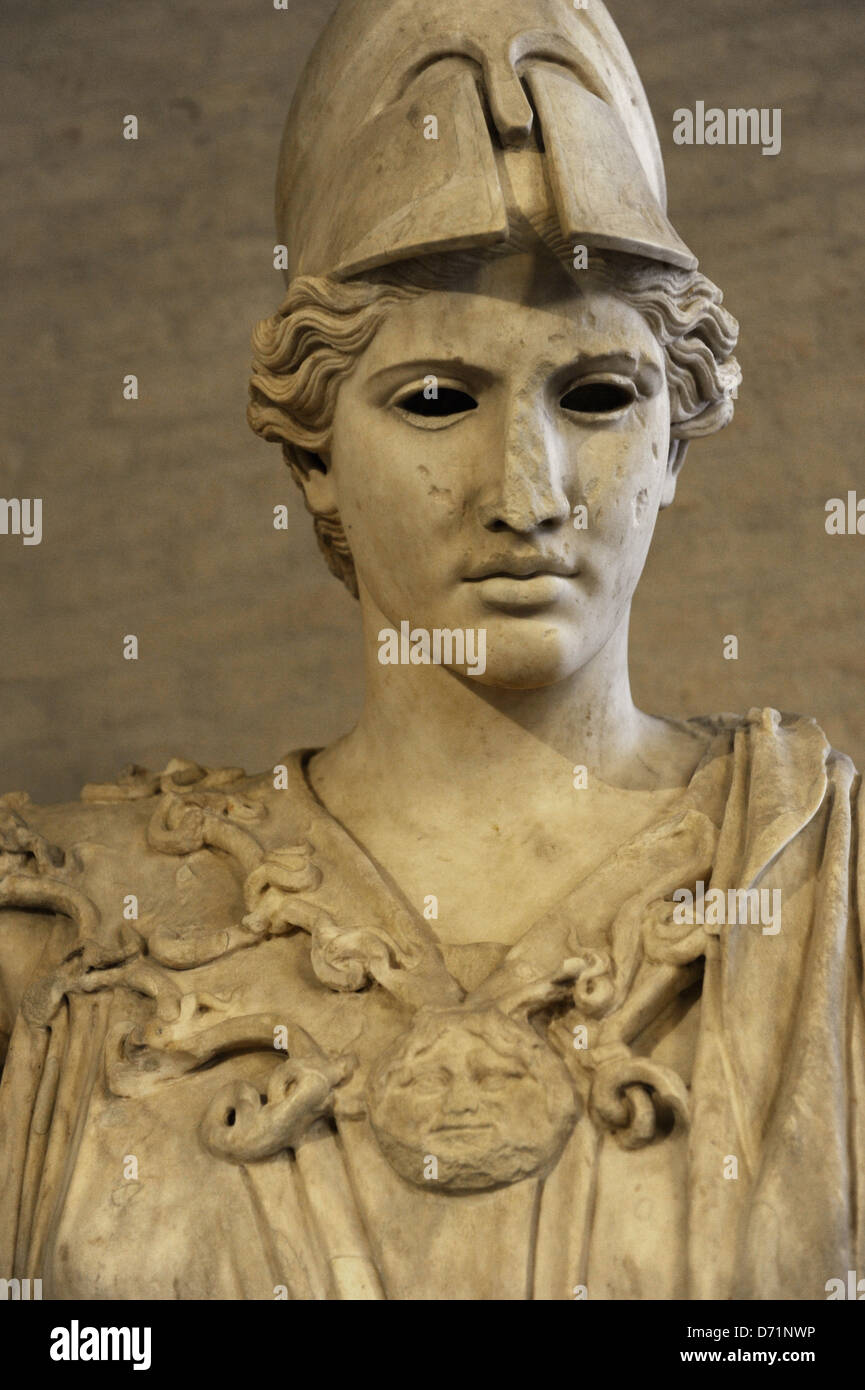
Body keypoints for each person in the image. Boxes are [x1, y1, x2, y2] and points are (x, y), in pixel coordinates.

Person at [1, 0, 862, 1300]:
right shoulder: (67, 939)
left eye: (596, 395)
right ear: (314, 456)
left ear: (677, 439)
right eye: (436, 400)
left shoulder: (826, 905)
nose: (526, 493)